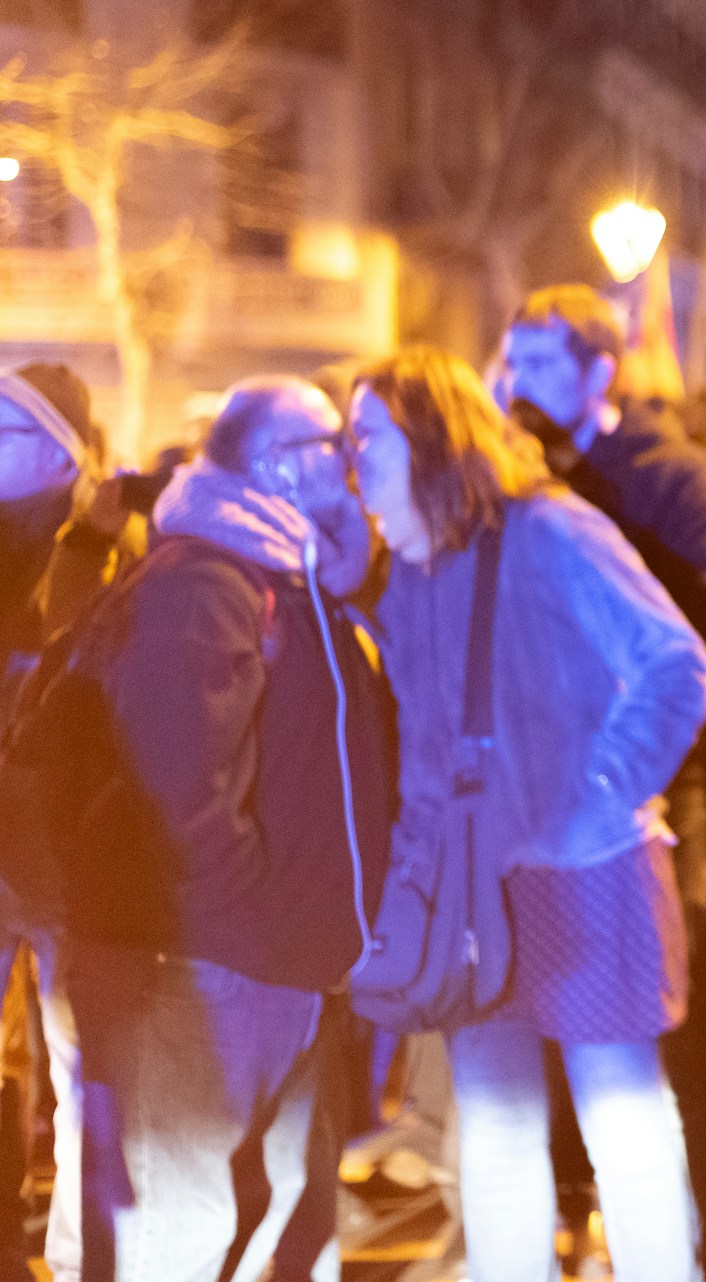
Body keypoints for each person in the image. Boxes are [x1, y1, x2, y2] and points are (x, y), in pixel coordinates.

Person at [349, 346, 706, 1282]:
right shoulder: (411, 567)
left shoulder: (550, 529)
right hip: (474, 879)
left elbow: (678, 665)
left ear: (429, 435)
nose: (355, 456)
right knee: (497, 1121)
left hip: (586, 867)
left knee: (621, 1115)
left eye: (369, 434)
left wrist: (597, 789)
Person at [48, 376, 394, 1281]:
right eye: (332, 448)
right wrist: (245, 910)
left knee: (280, 1229)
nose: (351, 467)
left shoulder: (288, 579)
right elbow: (175, 785)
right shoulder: (207, 586)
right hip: (202, 971)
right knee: (182, 1228)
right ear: (280, 467)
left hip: (278, 963)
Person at [498, 286, 706, 1277]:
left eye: (536, 367)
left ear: (598, 371)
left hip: (682, 796)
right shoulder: (525, 480)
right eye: (511, 366)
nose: (515, 388)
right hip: (567, 804)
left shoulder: (674, 479)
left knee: (699, 1033)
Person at [0, 362, 109, 1282]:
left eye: (15, 431)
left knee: (85, 1069)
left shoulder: (107, 548)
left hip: (75, 854)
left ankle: (80, 1258)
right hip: (50, 848)